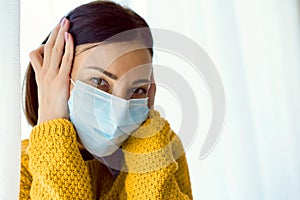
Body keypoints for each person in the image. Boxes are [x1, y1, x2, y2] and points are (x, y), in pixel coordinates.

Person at [19, 1, 193, 199]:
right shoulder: (19, 167)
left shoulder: (162, 147)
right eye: (99, 81)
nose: (119, 111)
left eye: (137, 89)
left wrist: (146, 139)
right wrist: (52, 131)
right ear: (55, 76)